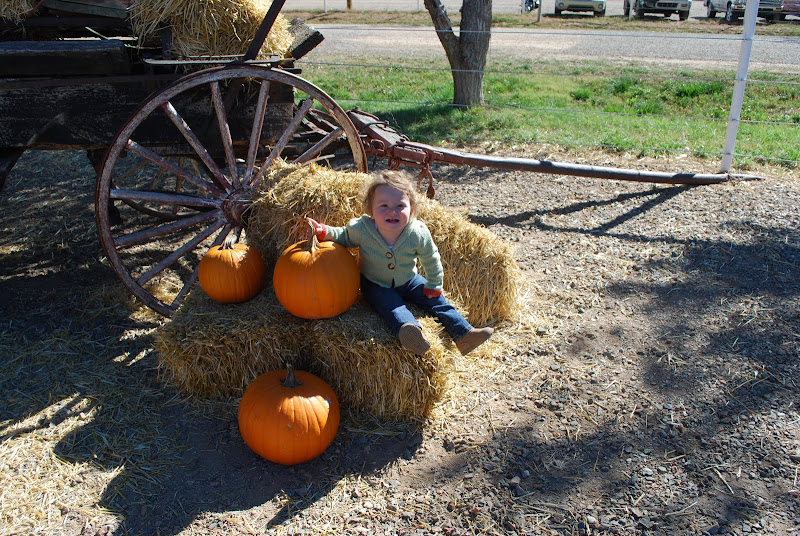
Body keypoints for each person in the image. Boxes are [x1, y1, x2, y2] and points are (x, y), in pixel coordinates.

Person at [306, 169, 493, 356]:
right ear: (371, 210)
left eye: (400, 206)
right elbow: (344, 236)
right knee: (392, 306)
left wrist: (434, 284)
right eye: (383, 205)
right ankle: (411, 332)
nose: (392, 211)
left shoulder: (417, 232)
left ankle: (464, 334)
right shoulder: (362, 229)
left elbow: (431, 258)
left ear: (411, 209)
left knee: (437, 301)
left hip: (409, 280)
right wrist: (324, 231)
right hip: (375, 283)